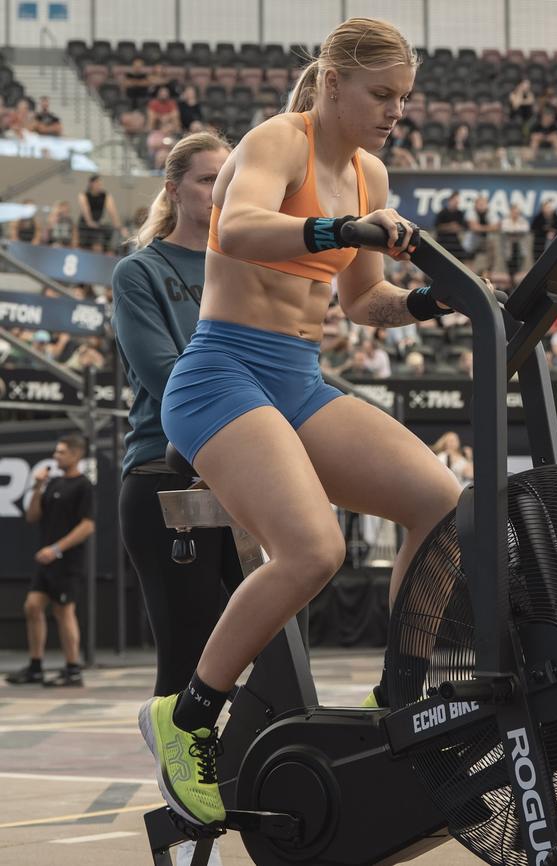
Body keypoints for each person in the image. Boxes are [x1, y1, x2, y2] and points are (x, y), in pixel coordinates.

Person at [138, 17, 461, 828]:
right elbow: (240, 228)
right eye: (380, 94)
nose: (394, 110)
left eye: (403, 99)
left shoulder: (370, 174)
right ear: (332, 83)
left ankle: (399, 699)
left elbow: (361, 302)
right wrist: (340, 228)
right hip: (219, 374)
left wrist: (427, 302)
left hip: (298, 378)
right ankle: (184, 718)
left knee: (439, 500)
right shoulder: (279, 139)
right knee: (315, 549)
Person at [112, 131, 236, 866]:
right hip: (167, 481)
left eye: (229, 181)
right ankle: (190, 840)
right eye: (206, 181)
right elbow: (167, 374)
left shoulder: (242, 265)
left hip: (242, 479)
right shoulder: (143, 271)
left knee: (266, 647)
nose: (219, 193)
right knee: (186, 660)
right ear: (176, 190)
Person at [6, 434, 94, 687]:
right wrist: (36, 487)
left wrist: (56, 549)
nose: (56, 456)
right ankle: (35, 667)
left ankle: (72, 669)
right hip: (46, 562)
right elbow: (32, 516)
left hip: (67, 561)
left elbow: (87, 526)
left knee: (63, 611)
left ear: (76, 455)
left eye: (62, 452)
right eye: (56, 452)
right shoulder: (53, 484)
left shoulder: (83, 486)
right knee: (32, 606)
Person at [77, 175, 127, 251]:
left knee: (100, 242)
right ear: (91, 184)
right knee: (84, 246)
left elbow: (112, 212)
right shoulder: (83, 195)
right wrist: (90, 222)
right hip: (85, 225)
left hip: (97, 225)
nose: (99, 186)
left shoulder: (105, 195)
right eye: (97, 183)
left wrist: (119, 226)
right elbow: (85, 210)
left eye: (100, 184)